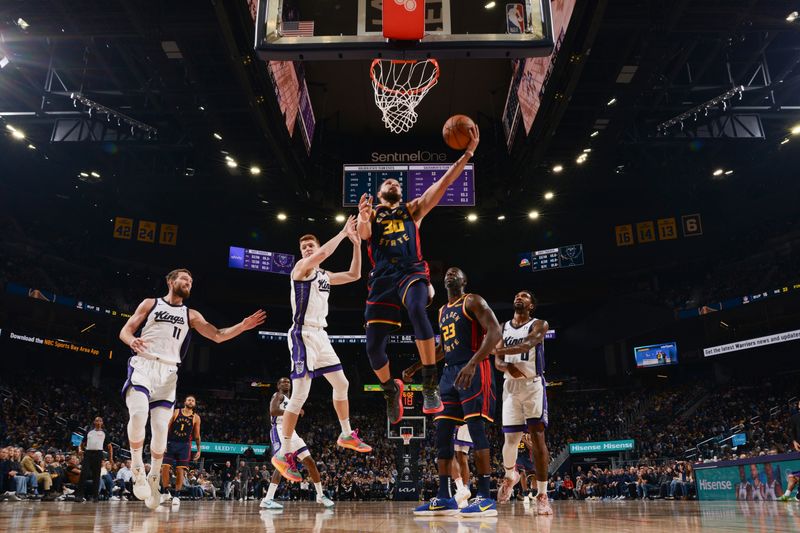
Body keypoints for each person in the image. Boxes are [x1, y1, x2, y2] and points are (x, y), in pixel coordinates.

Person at [357, 127, 480, 423]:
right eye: (388, 181)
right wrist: (362, 217)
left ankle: (428, 386)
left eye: (396, 181)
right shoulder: (372, 215)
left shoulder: (414, 210)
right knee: (373, 347)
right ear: (380, 193)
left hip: (411, 272)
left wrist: (468, 153)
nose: (393, 182)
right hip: (382, 278)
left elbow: (445, 181)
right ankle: (390, 391)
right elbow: (363, 235)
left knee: (416, 307)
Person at [119, 268, 266, 509]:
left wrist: (242, 325)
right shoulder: (151, 303)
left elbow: (217, 335)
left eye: (191, 281)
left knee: (159, 431)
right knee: (137, 413)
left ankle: (154, 476)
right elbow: (125, 330)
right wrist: (131, 340)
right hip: (144, 365)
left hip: (168, 373)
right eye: (184, 279)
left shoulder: (191, 314)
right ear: (170, 281)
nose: (188, 283)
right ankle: (137, 468)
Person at [273, 219, 372, 482]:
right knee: (301, 394)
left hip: (321, 335)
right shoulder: (300, 269)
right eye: (303, 247)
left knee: (342, 383)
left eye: (310, 246)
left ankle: (346, 433)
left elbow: (354, 275)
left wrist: (356, 245)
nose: (307, 250)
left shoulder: (324, 276)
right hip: (302, 334)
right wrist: (342, 233)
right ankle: (283, 453)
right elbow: (323, 254)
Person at [404, 267, 501, 517]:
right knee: (442, 436)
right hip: (448, 374)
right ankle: (445, 497)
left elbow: (495, 332)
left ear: (464, 280)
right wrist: (417, 366)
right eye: (447, 272)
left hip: (474, 368)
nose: (450, 274)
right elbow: (442, 348)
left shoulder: (473, 300)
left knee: (477, 431)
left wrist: (472, 364)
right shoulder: (442, 311)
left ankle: (485, 496)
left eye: (456, 272)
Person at [493, 290, 552, 515]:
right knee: (510, 440)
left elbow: (527, 344)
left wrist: (497, 349)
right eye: (517, 295)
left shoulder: (540, 324)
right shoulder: (502, 326)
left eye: (525, 296)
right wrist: (506, 365)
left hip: (533, 385)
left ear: (531, 306)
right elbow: (498, 361)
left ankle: (543, 494)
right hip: (510, 386)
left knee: (537, 437)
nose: (519, 297)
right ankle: (510, 476)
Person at [263, 377, 335, 510]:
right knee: (281, 464)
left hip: (292, 432)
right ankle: (267, 499)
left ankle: (320, 495)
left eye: (288, 382)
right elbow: (273, 411)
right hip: (279, 429)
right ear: (278, 385)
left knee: (310, 462)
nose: (286, 383)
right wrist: (293, 411)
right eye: (283, 382)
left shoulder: (291, 400)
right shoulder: (278, 395)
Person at [160, 394, 201, 508]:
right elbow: (166, 428)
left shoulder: (196, 417)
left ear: (195, 404)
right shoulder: (176, 412)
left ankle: (177, 495)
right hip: (171, 443)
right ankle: (165, 492)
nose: (191, 401)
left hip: (185, 446)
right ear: (185, 402)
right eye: (189, 399)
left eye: (193, 400)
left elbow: (197, 436)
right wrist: (163, 442)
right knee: (165, 467)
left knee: (180, 470)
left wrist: (198, 449)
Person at [74, 417, 114, 502]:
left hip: (98, 453)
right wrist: (80, 450)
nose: (98, 422)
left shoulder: (104, 433)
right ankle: (79, 496)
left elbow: (110, 447)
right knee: (83, 474)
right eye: (96, 420)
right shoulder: (89, 432)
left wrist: (111, 458)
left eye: (100, 421)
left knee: (96, 475)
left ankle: (95, 496)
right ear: (94, 422)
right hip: (88, 453)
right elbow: (81, 443)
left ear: (102, 423)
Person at [779, 400, 800, 501]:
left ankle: (794, 496)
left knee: (793, 476)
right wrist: (794, 441)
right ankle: (787, 496)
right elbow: (792, 431)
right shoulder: (795, 418)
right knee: (792, 476)